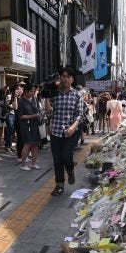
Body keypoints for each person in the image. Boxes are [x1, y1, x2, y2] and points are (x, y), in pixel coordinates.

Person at [46, 66, 84, 196]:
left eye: (69, 77)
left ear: (72, 79)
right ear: (60, 78)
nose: (66, 79)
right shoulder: (55, 93)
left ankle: (70, 170)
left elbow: (79, 114)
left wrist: (73, 127)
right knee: (57, 160)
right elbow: (49, 111)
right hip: (56, 130)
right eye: (64, 76)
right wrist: (47, 97)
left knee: (66, 155)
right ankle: (59, 185)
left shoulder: (77, 95)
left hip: (71, 130)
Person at [14, 83, 40, 171]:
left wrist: (39, 115)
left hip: (35, 124)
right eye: (31, 91)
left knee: (35, 145)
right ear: (26, 91)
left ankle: (34, 163)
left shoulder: (34, 99)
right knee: (27, 144)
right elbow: (20, 116)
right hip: (26, 125)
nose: (33, 93)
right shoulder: (21, 101)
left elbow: (37, 110)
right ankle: (23, 164)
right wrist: (32, 116)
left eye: (33, 91)